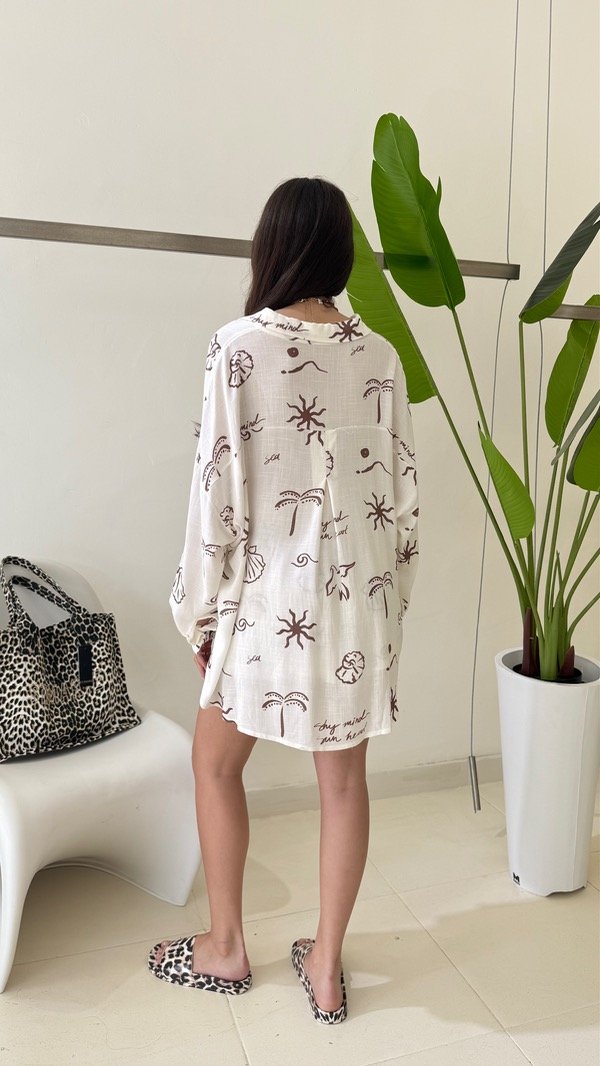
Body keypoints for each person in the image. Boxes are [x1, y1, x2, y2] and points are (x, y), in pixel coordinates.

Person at [147, 177, 420, 1024]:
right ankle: (327, 969)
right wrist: (386, 614)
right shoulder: (380, 357)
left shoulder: (237, 348)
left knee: (214, 764)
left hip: (265, 610)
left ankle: (227, 947)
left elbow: (215, 501)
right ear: (340, 254)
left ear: (271, 247)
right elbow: (403, 506)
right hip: (354, 613)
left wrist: (198, 614)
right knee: (343, 787)